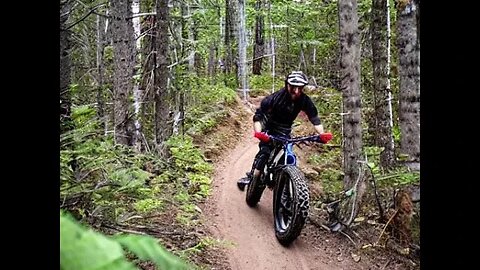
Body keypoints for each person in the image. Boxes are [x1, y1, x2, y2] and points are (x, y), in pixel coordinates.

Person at [237, 71, 330, 190]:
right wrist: (259, 133)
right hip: (269, 127)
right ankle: (253, 178)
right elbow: (258, 116)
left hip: (285, 130)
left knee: (288, 151)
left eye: (299, 88)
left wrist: (322, 134)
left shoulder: (304, 100)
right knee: (265, 152)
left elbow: (314, 118)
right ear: (287, 85)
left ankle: (285, 182)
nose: (296, 91)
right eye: (292, 88)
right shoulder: (274, 98)